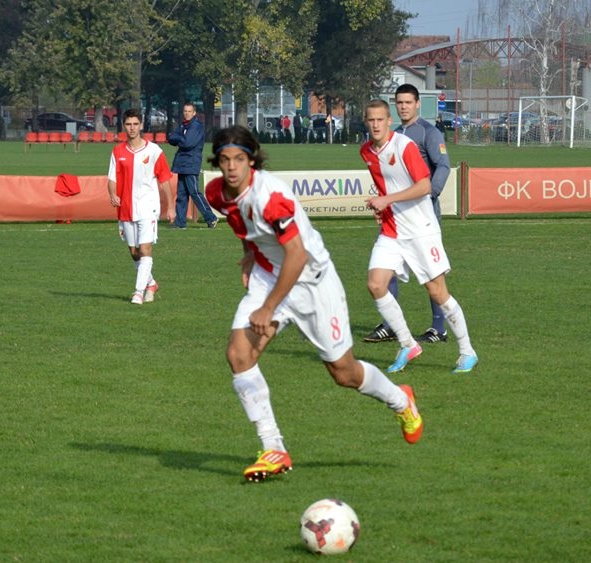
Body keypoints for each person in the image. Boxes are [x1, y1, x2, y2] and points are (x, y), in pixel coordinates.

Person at [204, 125, 422, 483]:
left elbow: (297, 255)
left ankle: (401, 400)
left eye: (239, 159)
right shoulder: (216, 193)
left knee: (343, 373)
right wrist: (249, 255)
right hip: (269, 277)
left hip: (312, 282)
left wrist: (268, 308)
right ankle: (273, 447)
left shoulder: (271, 198)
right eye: (225, 160)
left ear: (252, 161)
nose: (231, 167)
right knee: (239, 355)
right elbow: (242, 225)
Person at [360, 99, 478, 375]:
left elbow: (425, 186)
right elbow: (386, 186)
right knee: (376, 284)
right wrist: (382, 207)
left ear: (389, 121)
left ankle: (467, 351)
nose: (375, 125)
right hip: (392, 231)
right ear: (366, 122)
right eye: (371, 120)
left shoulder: (404, 146)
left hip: (421, 229)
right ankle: (408, 344)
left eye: (380, 120)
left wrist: (387, 199)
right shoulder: (366, 152)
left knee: (437, 292)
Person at [364, 84, 453, 345]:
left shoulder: (429, 132)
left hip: (422, 212)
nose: (403, 107)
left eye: (408, 102)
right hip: (395, 213)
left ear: (417, 104)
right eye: (399, 102)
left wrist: (430, 194)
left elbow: (443, 166)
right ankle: (391, 325)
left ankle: (439, 328)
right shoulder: (392, 134)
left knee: (431, 273)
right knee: (386, 266)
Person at [107, 108, 175, 304]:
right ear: (123, 126)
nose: (132, 128)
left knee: (145, 249)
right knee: (134, 252)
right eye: (128, 124)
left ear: (141, 125)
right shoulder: (117, 151)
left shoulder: (154, 151)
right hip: (126, 208)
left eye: (135, 124)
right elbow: (111, 178)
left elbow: (165, 179)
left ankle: (138, 292)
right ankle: (151, 283)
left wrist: (171, 206)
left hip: (148, 206)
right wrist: (113, 194)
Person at [167, 102, 217, 230]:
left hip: (191, 164)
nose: (187, 113)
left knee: (194, 193)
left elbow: (187, 143)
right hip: (182, 164)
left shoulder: (196, 126)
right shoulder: (183, 125)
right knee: (181, 195)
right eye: (185, 111)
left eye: (189, 111)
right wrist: (180, 138)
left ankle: (211, 217)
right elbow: (170, 138)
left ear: (194, 113)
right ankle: (180, 223)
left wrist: (178, 138)